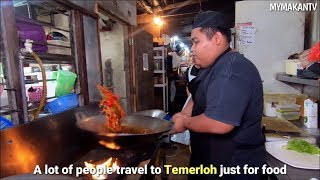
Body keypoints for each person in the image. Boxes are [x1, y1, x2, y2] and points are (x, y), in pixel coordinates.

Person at [172, 11, 266, 180]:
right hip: (209, 160)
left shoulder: (231, 69)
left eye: (196, 42)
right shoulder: (212, 67)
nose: (192, 49)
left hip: (232, 166)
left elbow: (219, 123)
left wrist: (185, 122)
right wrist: (183, 114)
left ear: (217, 38)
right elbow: (197, 95)